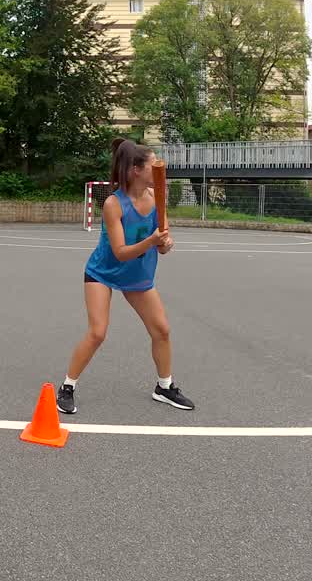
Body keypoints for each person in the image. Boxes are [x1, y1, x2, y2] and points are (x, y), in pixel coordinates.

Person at [57, 138, 194, 415]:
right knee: (97, 333)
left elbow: (163, 245)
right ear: (135, 170)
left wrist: (165, 244)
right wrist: (153, 241)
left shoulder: (157, 199)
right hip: (103, 272)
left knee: (162, 330)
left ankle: (164, 387)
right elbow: (120, 252)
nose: (158, 169)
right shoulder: (113, 204)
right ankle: (67, 387)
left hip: (138, 275)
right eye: (153, 164)